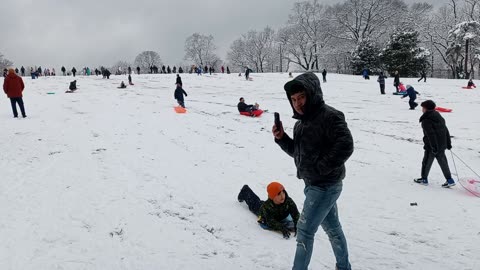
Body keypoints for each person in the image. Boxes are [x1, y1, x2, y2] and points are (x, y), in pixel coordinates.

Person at [272, 72, 354, 270]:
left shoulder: (330, 116)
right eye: (293, 99)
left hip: (325, 186)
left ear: (312, 94)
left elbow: (346, 145)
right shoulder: (301, 124)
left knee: (304, 231)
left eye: (301, 97)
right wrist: (282, 138)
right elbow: (299, 153)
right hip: (313, 184)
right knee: (333, 230)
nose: (297, 103)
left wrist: (321, 168)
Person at [414, 100, 455, 188]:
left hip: (432, 146)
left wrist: (433, 147)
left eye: (423, 107)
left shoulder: (426, 120)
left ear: (426, 109)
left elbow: (430, 134)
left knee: (426, 162)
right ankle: (450, 180)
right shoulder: (438, 116)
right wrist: (448, 143)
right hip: (441, 145)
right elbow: (445, 130)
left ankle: (424, 179)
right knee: (443, 162)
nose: (422, 109)